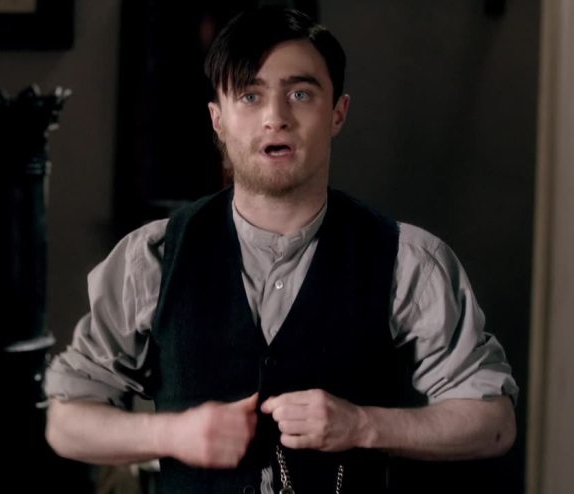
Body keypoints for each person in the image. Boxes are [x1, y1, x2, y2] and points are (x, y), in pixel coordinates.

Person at [44, 6, 517, 494]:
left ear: (338, 113)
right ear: (218, 119)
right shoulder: (151, 258)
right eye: (250, 96)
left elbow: (494, 423)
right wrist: (174, 434)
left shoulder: (409, 260)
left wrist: (364, 425)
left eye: (300, 94)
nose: (276, 118)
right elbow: (65, 424)